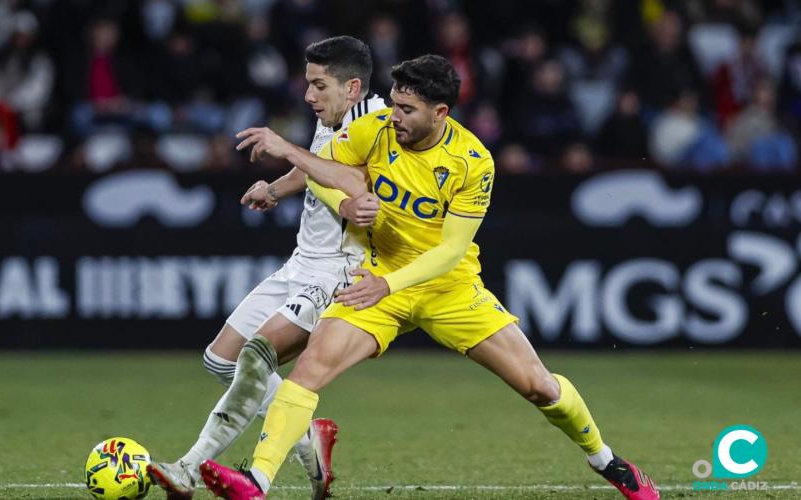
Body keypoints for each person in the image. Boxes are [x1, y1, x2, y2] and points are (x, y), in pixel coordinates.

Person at [200, 55, 661, 500]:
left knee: (539, 386)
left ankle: (606, 461)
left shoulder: (472, 161)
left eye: (406, 109)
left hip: (448, 287)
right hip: (379, 278)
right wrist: (342, 199)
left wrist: (387, 284)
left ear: (439, 113)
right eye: (394, 103)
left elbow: (450, 251)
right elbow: (326, 172)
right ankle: (256, 483)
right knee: (309, 371)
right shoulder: (375, 129)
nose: (393, 116)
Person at [146, 35, 386, 500]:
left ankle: (189, 469)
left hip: (339, 271)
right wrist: (276, 189)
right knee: (220, 358)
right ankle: (308, 437)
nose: (308, 95)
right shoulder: (334, 116)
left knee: (258, 354)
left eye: (319, 85)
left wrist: (290, 152)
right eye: (307, 84)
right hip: (302, 262)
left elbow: (358, 186)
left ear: (352, 87)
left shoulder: (375, 126)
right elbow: (317, 165)